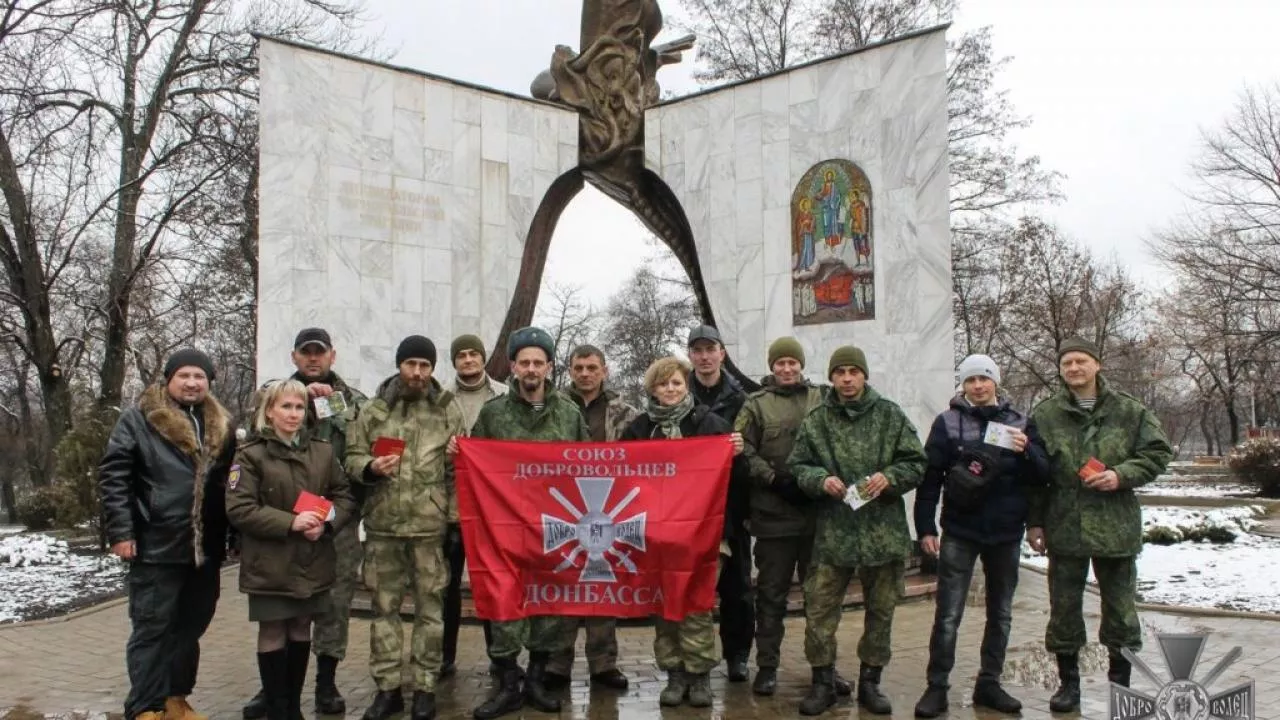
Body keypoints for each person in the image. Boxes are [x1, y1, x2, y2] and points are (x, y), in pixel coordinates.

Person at [1028, 337, 1172, 712]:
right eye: (1066, 363)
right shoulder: (1045, 414)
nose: (1073, 369)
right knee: (1063, 608)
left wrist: (1120, 475)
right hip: (1065, 525)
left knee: (1121, 609)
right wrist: (1035, 523)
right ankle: (1068, 685)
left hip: (1115, 525)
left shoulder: (1130, 411)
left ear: (1097, 365)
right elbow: (1035, 475)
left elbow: (1157, 452)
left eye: (1080, 361)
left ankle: (1120, 683)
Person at [98, 348, 237, 720]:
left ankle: (176, 698)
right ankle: (145, 705)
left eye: (200, 377)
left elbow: (230, 484)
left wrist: (233, 535)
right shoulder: (138, 420)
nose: (192, 382)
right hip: (155, 542)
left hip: (204, 549)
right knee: (152, 628)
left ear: (209, 382)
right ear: (169, 379)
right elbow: (115, 478)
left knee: (190, 627)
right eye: (184, 375)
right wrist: (121, 531)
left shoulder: (221, 425)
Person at [788, 346, 926, 716]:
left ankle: (870, 683)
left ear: (864, 375)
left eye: (853, 371)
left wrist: (891, 477)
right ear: (831, 377)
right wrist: (821, 480)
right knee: (819, 612)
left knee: (881, 612)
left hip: (883, 534)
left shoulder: (889, 415)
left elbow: (916, 462)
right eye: (840, 372)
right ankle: (822, 683)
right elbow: (798, 465)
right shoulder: (817, 419)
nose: (847, 378)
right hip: (834, 535)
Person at [912, 355, 1050, 718]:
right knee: (947, 614)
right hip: (960, 530)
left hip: (1006, 533)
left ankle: (989, 683)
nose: (978, 386)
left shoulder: (1020, 422)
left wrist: (1028, 450)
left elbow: (1042, 476)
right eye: (970, 380)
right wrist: (925, 528)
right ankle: (936, 686)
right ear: (963, 385)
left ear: (995, 383)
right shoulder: (947, 423)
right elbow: (930, 479)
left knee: (1001, 613)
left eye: (984, 379)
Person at [243, 328, 368, 719]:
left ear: (333, 356)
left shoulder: (354, 402)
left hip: (334, 521)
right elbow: (256, 428)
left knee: (333, 603)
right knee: (281, 613)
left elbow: (360, 450)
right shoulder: (274, 394)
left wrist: (333, 516)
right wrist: (297, 396)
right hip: (283, 521)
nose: (313, 359)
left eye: (320, 353)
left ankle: (325, 683)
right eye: (305, 353)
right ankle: (275, 692)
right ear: (295, 357)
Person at [469, 326, 590, 720]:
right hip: (504, 530)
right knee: (504, 606)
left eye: (539, 362)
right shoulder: (493, 414)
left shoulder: (569, 415)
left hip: (554, 529)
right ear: (513, 367)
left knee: (549, 605)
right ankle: (508, 682)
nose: (532, 369)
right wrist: (461, 451)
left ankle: (536, 679)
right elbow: (474, 467)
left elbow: (588, 468)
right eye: (525, 362)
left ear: (550, 367)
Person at [344, 336, 466, 720]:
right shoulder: (374, 410)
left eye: (425, 366)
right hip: (383, 527)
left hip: (429, 530)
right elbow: (351, 454)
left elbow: (457, 472)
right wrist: (368, 467)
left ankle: (426, 687)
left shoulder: (448, 409)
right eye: (411, 364)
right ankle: (388, 688)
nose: (417, 372)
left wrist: (453, 521)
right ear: (400, 365)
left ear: (432, 369)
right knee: (384, 611)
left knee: (431, 613)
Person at [620, 356, 745, 708]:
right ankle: (674, 673)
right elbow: (625, 480)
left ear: (685, 384)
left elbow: (737, 481)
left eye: (676, 383)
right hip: (655, 536)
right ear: (653, 389)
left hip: (705, 534)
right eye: (663, 384)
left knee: (696, 604)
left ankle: (699, 674)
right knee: (665, 606)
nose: (671, 390)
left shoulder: (711, 424)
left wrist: (737, 454)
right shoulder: (640, 429)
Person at [735, 337, 854, 698]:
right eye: (780, 363)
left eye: (792, 363)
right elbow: (741, 449)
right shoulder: (755, 405)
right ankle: (767, 667)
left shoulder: (823, 397)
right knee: (771, 597)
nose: (787, 369)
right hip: (774, 518)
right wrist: (772, 478)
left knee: (822, 599)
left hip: (819, 518)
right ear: (772, 367)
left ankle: (824, 668)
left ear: (801, 365)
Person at [544, 345, 639, 690]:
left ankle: (603, 664)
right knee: (564, 582)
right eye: (579, 367)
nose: (585, 373)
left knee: (601, 584)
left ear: (604, 370)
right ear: (569, 370)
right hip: (562, 507)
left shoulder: (625, 413)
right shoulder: (552, 408)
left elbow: (645, 456)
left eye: (592, 367)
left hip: (607, 507)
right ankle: (557, 663)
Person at [685, 324, 754, 683]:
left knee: (738, 590)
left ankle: (738, 655)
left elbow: (753, 453)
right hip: (687, 512)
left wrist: (742, 453)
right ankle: (691, 658)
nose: (704, 356)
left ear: (722, 354)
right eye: (697, 350)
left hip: (731, 507)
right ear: (690, 356)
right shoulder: (678, 395)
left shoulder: (742, 399)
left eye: (710, 349)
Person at [440, 334, 507, 678]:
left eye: (473, 354)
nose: (468, 360)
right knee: (446, 584)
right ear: (454, 361)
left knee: (492, 582)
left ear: (482, 358)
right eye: (461, 355)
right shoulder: (439, 399)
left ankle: (500, 655)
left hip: (491, 508)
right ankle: (443, 656)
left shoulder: (504, 396)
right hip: (450, 507)